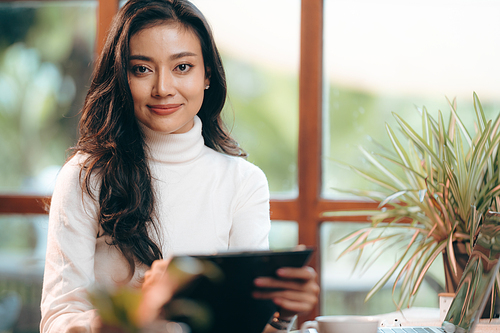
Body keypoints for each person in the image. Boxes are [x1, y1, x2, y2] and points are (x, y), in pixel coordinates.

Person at [40, 0, 319, 332]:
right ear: (121, 77)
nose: (163, 88)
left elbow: (245, 325)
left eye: (182, 67)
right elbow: (57, 322)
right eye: (141, 69)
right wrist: (142, 305)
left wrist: (280, 314)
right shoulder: (85, 177)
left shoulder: (244, 182)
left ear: (208, 75)